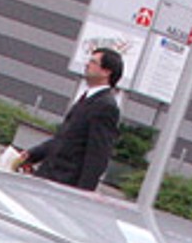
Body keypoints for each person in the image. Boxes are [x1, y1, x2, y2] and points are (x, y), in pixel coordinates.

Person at [14, 49, 123, 190]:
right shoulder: (87, 99)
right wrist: (32, 154)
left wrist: (82, 193)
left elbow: (97, 155)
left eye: (93, 62)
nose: (87, 64)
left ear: (106, 72)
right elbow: (65, 138)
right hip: (48, 177)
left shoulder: (105, 106)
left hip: (65, 184)